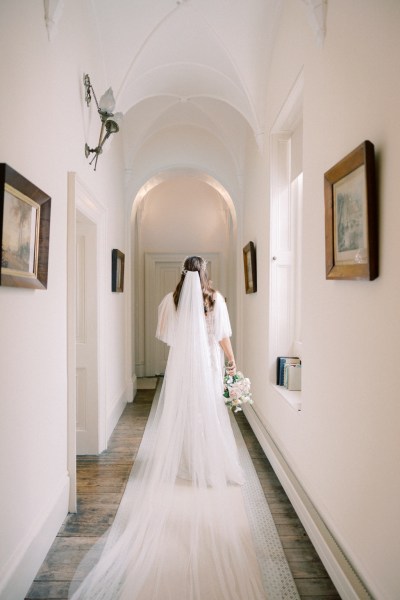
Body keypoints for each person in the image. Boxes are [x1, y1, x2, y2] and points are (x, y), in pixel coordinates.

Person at [70, 256, 265, 599]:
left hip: (183, 368)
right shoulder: (215, 299)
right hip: (206, 365)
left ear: (182, 274)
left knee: (186, 413)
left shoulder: (170, 300)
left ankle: (185, 459)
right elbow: (222, 337)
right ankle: (207, 460)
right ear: (205, 274)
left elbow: (167, 336)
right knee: (207, 413)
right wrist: (232, 362)